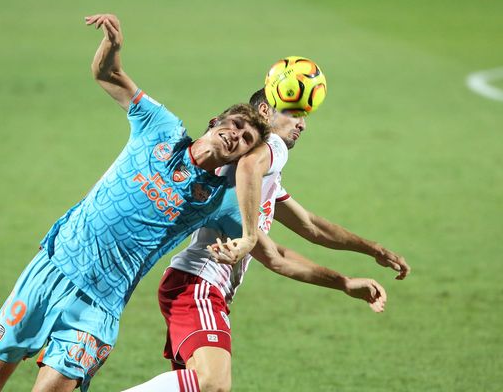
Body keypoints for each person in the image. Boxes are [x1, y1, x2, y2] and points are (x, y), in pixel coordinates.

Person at [0, 13, 272, 392]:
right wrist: (112, 46)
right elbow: (107, 74)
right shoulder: (163, 127)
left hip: (99, 306)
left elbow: (275, 251)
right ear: (214, 122)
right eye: (235, 125)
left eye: (246, 139)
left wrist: (255, 244)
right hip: (54, 265)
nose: (236, 135)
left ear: (243, 159)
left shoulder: (221, 201)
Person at [122, 89, 410, 392]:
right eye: (295, 113)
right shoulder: (266, 151)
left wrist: (368, 253)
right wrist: (250, 237)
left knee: (200, 387)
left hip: (196, 287)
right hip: (197, 286)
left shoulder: (260, 178)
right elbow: (273, 253)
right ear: (264, 111)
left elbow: (309, 226)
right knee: (213, 383)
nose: (303, 124)